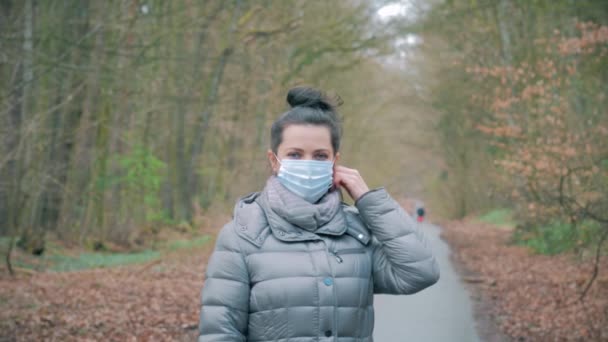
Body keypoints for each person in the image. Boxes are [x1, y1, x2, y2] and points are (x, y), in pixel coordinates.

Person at [198, 87, 440, 341]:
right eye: (294, 154)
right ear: (273, 160)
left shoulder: (355, 231)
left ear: (335, 161)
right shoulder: (243, 234)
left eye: (320, 156)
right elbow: (220, 333)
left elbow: (420, 272)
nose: (307, 164)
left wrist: (368, 199)